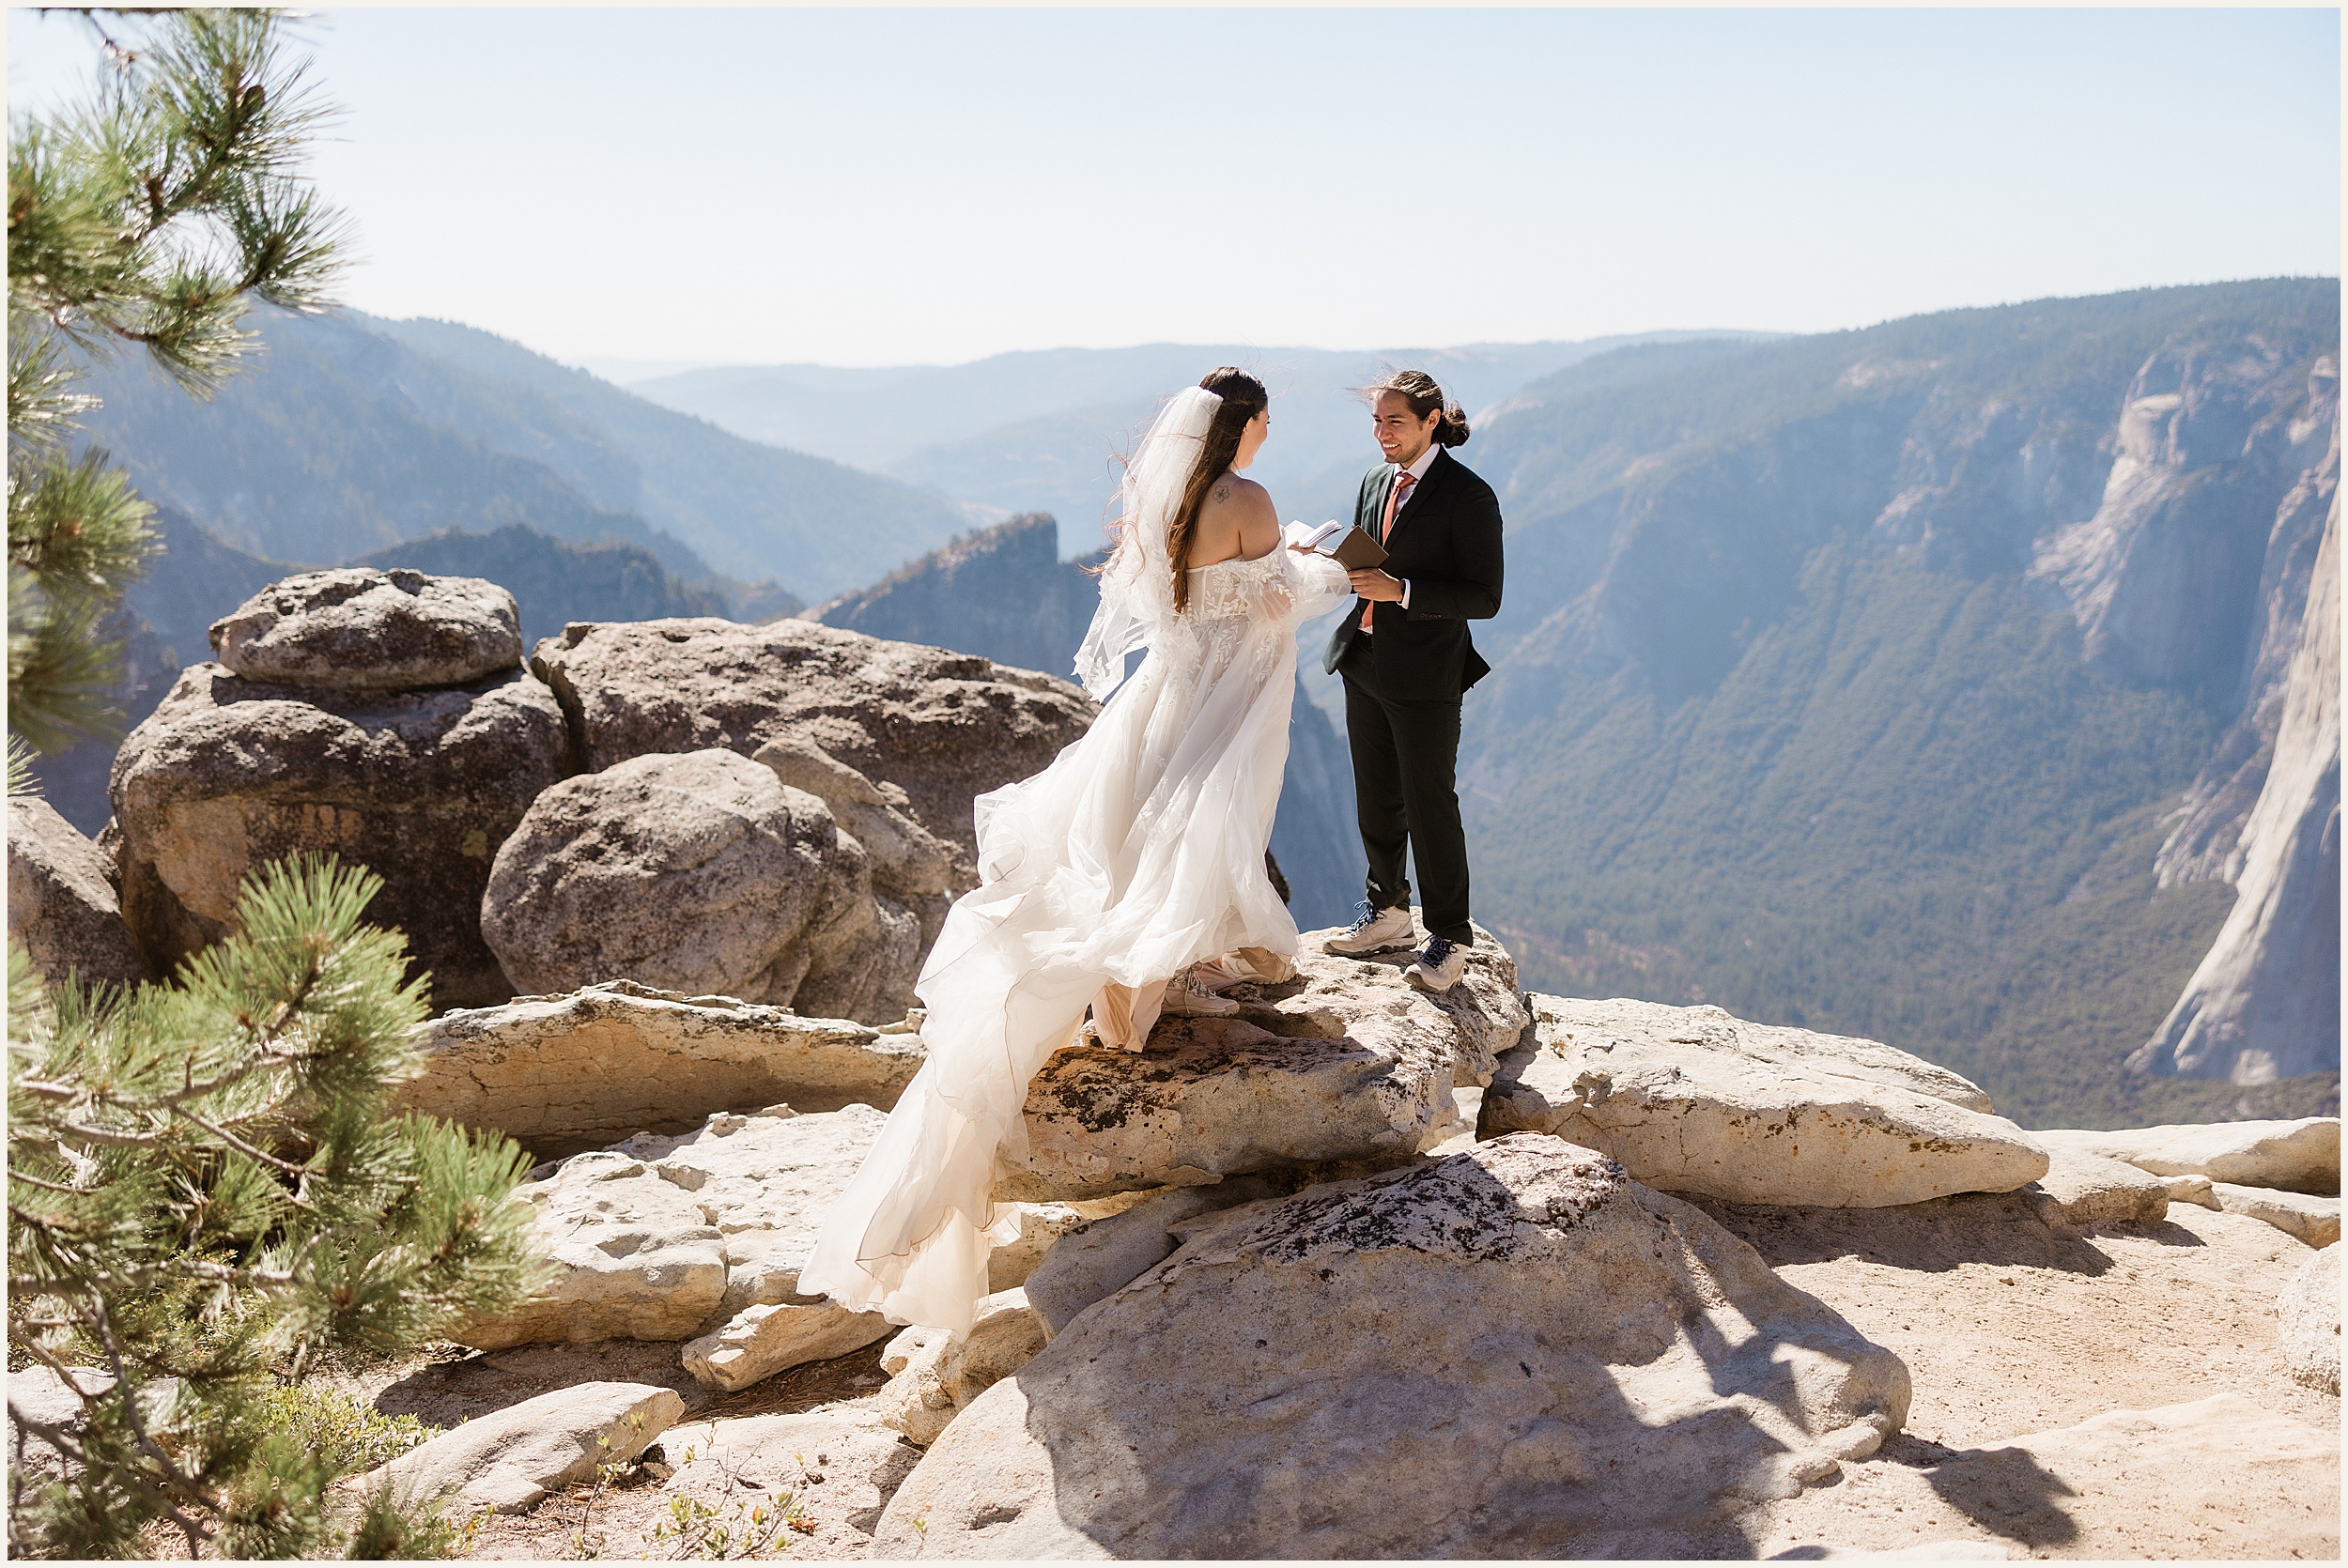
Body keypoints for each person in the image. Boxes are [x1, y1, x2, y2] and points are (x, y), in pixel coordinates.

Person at [800, 368, 1353, 1337]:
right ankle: (1140, 990)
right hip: (1224, 701)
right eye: (1265, 425)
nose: (1267, 438)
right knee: (1194, 840)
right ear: (1248, 427)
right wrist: (1331, 565)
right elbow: (1273, 600)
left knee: (1142, 842)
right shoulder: (1248, 498)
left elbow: (1188, 593)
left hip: (1165, 696)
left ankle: (1147, 982)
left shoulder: (1173, 504)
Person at [1320, 370, 1505, 992]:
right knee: (1376, 797)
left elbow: (1485, 597)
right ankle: (1390, 915)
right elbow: (1365, 558)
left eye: (1394, 421)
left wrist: (1401, 592)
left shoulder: (1468, 496)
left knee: (1431, 804)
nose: (1382, 433)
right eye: (1376, 421)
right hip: (1364, 659)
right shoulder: (1375, 482)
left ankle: (1450, 936)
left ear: (1431, 422)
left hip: (1427, 671)